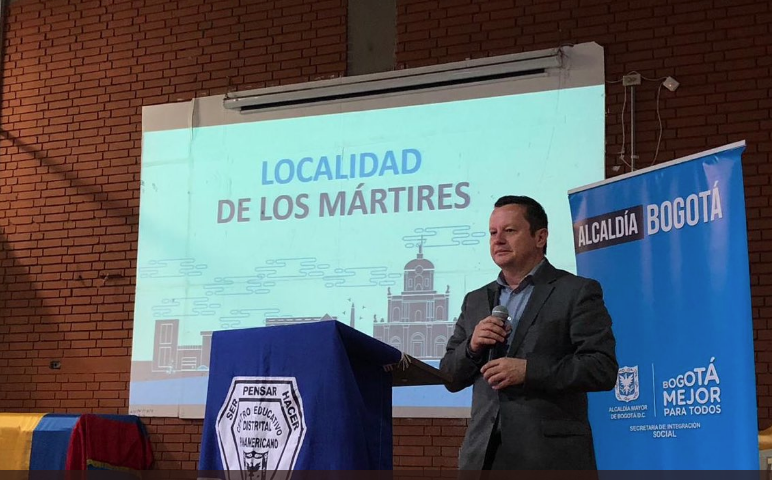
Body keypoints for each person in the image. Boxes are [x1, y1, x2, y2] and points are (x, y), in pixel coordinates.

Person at [440, 195, 618, 470]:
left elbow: (601, 368)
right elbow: (450, 376)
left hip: (549, 458)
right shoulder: (475, 300)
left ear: (540, 237)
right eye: (493, 233)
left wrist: (528, 371)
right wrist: (472, 347)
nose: (498, 240)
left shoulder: (575, 292)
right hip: (483, 458)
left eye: (509, 231)